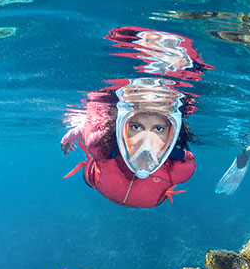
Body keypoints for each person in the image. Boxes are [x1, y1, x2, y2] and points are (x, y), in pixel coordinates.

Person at [61, 78, 196, 208]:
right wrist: (67, 138)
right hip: (99, 182)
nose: (146, 142)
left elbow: (85, 128)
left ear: (172, 134)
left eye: (159, 128)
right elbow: (85, 127)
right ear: (121, 128)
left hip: (119, 191)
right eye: (136, 127)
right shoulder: (100, 144)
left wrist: (67, 139)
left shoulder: (182, 167)